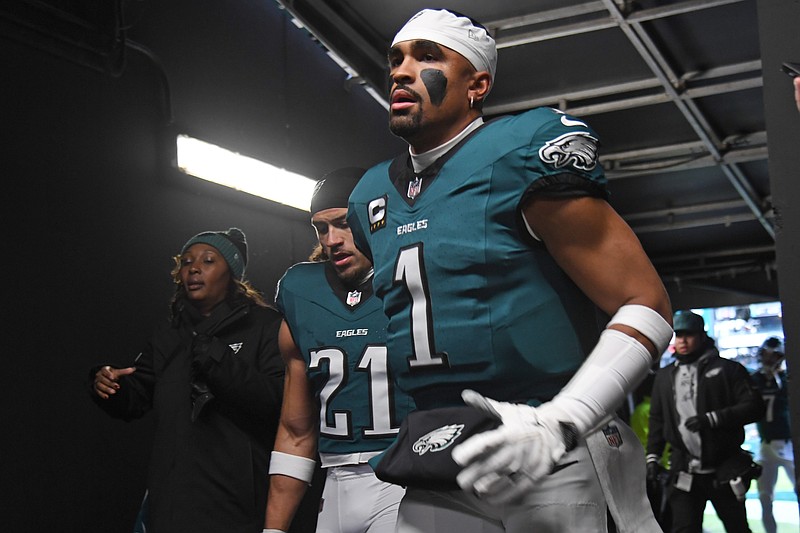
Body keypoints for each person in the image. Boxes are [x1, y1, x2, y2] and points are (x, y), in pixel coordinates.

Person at [347, 8, 674, 532]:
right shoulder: (370, 196)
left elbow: (648, 305)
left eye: (427, 56)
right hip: (436, 448)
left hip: (546, 443)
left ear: (477, 84)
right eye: (396, 59)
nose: (401, 71)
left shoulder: (521, 151)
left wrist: (561, 420)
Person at [90, 228, 285, 533]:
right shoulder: (170, 334)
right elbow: (136, 397)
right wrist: (108, 386)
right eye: (186, 262)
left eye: (208, 261)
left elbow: (278, 401)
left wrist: (220, 361)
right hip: (171, 502)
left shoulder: (265, 325)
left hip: (234, 505)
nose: (193, 268)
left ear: (231, 273)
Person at [264, 168, 415, 533]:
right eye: (321, 228)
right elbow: (296, 430)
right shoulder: (302, 291)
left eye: (344, 223)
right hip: (334, 482)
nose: (331, 240)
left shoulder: (417, 276)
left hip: (410, 476)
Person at [646, 310, 765, 533]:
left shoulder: (728, 370)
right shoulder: (664, 376)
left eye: (688, 334)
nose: (682, 340)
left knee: (737, 527)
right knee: (684, 528)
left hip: (724, 467)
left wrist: (712, 418)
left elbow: (754, 407)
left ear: (701, 335)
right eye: (678, 334)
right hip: (684, 470)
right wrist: (652, 456)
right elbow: (657, 419)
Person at [751, 336, 796, 533]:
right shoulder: (755, 380)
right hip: (765, 444)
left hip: (788, 445)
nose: (769, 360)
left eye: (773, 356)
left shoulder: (787, 379)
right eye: (766, 356)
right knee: (764, 496)